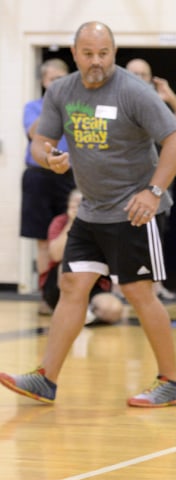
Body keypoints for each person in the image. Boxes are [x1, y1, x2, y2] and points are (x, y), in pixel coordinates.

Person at [0, 21, 176, 407]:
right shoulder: (61, 91)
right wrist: (48, 158)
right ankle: (45, 379)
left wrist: (153, 192)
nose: (96, 61)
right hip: (91, 210)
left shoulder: (133, 92)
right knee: (72, 286)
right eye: (88, 54)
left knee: (139, 293)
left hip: (135, 211)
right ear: (75, 54)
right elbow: (40, 140)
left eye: (104, 54)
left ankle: (170, 380)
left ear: (113, 54)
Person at [126, 57, 176, 302]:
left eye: (143, 74)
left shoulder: (157, 104)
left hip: (156, 185)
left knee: (156, 236)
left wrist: (169, 96)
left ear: (150, 79)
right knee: (120, 236)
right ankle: (116, 287)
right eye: (133, 73)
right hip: (125, 185)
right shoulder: (118, 99)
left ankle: (156, 286)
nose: (137, 78)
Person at [22, 58, 76, 314]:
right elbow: (35, 133)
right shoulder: (33, 107)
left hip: (69, 175)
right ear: (44, 81)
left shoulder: (77, 108)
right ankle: (46, 294)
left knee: (71, 233)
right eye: (52, 80)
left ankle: (69, 292)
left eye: (60, 79)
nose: (56, 83)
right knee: (43, 239)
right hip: (39, 176)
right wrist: (53, 103)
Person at [42, 189, 124, 326]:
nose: (77, 207)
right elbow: (56, 255)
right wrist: (72, 223)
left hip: (94, 282)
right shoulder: (60, 221)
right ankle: (72, 310)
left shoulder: (103, 224)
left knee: (113, 310)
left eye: (81, 203)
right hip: (60, 284)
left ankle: (87, 313)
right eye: (74, 203)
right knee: (68, 266)